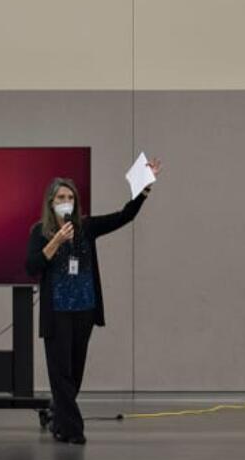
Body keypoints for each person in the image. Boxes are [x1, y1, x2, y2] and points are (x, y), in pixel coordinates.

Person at [25, 162, 160, 444]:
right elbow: (32, 266)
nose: (66, 202)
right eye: (60, 198)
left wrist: (143, 189)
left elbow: (124, 216)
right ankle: (74, 430)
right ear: (51, 202)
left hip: (84, 310)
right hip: (57, 311)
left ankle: (59, 420)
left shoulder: (86, 227)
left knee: (74, 373)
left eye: (70, 197)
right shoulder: (40, 232)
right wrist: (56, 242)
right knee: (60, 372)